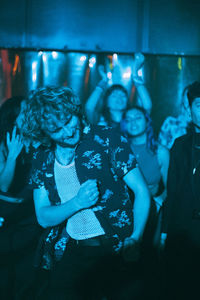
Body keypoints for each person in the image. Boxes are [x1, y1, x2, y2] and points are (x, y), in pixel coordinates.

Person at [19, 86, 151, 300]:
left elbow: (142, 191)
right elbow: (43, 217)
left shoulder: (107, 139)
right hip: (74, 251)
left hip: (115, 248)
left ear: (75, 110)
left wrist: (136, 238)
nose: (68, 131)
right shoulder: (42, 158)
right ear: (44, 132)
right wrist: (77, 203)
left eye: (69, 120)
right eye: (57, 129)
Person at [162, 81, 200, 300]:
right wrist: (165, 232)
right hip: (184, 233)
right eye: (199, 105)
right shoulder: (180, 144)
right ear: (189, 109)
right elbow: (173, 191)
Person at [0, 97, 41, 300]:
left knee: (28, 281)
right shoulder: (4, 144)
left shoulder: (37, 140)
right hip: (9, 221)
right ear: (14, 116)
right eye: (25, 111)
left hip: (33, 219)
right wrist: (12, 157)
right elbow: (3, 187)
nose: (30, 114)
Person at [85, 53, 152, 127]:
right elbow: (89, 108)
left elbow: (147, 107)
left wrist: (135, 75)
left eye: (123, 95)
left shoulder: (131, 121)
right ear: (106, 101)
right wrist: (103, 81)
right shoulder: (99, 119)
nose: (119, 98)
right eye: (114, 95)